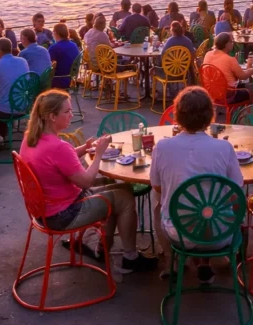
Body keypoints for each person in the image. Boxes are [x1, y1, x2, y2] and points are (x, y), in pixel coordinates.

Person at [20, 90, 156, 272]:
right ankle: (130, 257)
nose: (72, 115)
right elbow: (86, 182)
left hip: (44, 210)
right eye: (67, 112)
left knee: (121, 188)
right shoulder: (58, 147)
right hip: (64, 214)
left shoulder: (31, 139)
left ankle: (102, 247)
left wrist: (84, 148)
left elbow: (56, 161)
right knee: (124, 197)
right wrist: (99, 153)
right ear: (52, 116)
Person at [151, 87, 244, 282]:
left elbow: (157, 186)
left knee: (160, 203)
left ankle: (172, 262)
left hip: (179, 235)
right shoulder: (224, 147)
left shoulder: (162, 147)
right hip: (220, 234)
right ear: (210, 115)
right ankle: (210, 263)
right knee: (213, 203)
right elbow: (236, 190)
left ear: (177, 115)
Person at [202, 33, 253, 104]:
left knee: (245, 85)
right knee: (252, 88)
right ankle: (252, 112)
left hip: (211, 92)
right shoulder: (229, 60)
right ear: (226, 44)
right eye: (232, 42)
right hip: (227, 95)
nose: (233, 44)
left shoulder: (208, 54)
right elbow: (243, 76)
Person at [48, 23, 81, 88]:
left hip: (59, 79)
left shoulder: (54, 48)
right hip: (73, 78)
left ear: (56, 33)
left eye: (53, 32)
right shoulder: (74, 45)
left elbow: (48, 65)